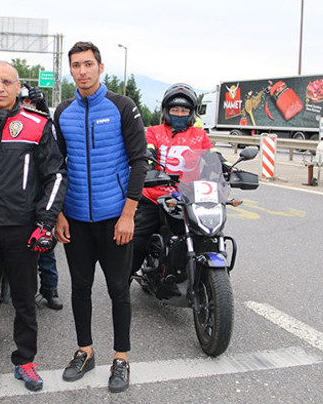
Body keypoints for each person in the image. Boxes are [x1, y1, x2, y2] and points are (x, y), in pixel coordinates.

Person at [0, 61, 66, 393]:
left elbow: (56, 176)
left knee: (24, 300)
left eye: (7, 82)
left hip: (23, 230)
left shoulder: (37, 124)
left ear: (18, 87)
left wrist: (45, 223)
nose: (0, 88)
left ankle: (25, 360)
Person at [52, 41, 147, 393]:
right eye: (76, 65)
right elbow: (56, 167)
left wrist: (129, 215)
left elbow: (139, 162)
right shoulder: (63, 112)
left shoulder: (122, 106)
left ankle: (121, 357)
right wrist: (59, 214)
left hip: (114, 218)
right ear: (71, 70)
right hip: (75, 218)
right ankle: (85, 350)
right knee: (80, 287)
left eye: (88, 64)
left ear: (100, 67)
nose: (82, 71)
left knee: (118, 288)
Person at [132, 83, 222, 278]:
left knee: (209, 234)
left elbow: (212, 153)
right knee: (136, 240)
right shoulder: (154, 132)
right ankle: (125, 279)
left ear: (191, 113)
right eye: (175, 109)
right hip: (156, 196)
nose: (179, 114)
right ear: (166, 111)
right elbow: (148, 151)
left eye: (184, 110)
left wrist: (227, 166)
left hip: (190, 196)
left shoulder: (199, 135)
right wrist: (147, 161)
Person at [20, 83, 63, 310]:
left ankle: (50, 290)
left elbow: (54, 136)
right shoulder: (11, 121)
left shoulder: (43, 123)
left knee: (45, 247)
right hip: (15, 193)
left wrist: (44, 106)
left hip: (40, 193)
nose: (27, 106)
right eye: (24, 101)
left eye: (31, 102)